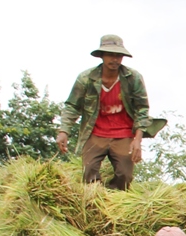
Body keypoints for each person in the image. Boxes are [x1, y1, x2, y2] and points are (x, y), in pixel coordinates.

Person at [58, 35, 159, 190]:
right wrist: (64, 131)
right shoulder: (86, 79)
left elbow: (142, 109)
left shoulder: (133, 78)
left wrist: (137, 139)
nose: (115, 60)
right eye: (111, 55)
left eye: (118, 56)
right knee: (89, 172)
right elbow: (72, 106)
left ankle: (113, 200)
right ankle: (94, 199)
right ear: (102, 55)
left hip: (124, 133)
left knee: (125, 176)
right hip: (96, 133)